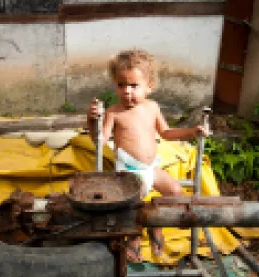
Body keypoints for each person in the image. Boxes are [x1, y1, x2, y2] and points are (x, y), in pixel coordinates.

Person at [87, 49, 210, 262]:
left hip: (151, 168)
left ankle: (156, 225)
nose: (127, 91)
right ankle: (134, 237)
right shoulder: (114, 112)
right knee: (135, 201)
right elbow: (99, 141)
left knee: (175, 190)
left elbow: (166, 133)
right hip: (129, 172)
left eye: (134, 85)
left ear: (149, 85)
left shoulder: (152, 107)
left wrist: (192, 131)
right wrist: (91, 121)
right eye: (121, 85)